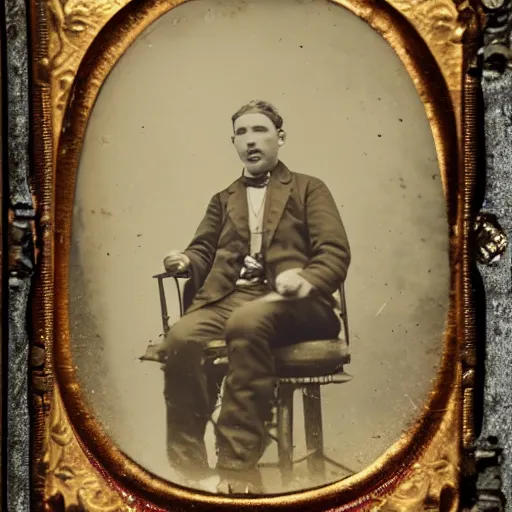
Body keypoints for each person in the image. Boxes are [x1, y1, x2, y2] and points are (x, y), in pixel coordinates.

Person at [161, 100, 350, 494]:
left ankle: (236, 468)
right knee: (180, 337)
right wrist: (184, 260)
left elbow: (334, 251)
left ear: (279, 138)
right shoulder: (223, 198)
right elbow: (203, 250)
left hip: (297, 302)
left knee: (245, 323)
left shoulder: (309, 188)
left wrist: (307, 278)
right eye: (242, 133)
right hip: (234, 296)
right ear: (233, 142)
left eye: (260, 130)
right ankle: (189, 471)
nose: (251, 140)